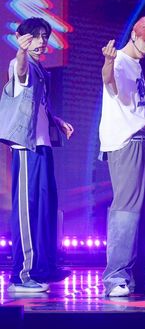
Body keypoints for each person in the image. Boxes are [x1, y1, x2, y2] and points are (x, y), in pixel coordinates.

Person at [0, 17, 73, 293]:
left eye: (44, 36)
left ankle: (43, 267)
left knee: (45, 209)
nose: (42, 41)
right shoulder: (20, 63)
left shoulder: (41, 70)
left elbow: (37, 106)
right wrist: (20, 51)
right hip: (26, 149)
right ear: (24, 39)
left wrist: (56, 121)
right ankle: (21, 275)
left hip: (42, 147)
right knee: (27, 211)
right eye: (36, 36)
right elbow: (19, 73)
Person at [99, 16, 145, 297]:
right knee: (127, 208)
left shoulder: (135, 64)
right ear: (135, 35)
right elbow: (109, 81)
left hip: (142, 139)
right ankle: (115, 277)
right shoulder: (120, 61)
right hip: (127, 141)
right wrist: (108, 62)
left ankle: (140, 275)